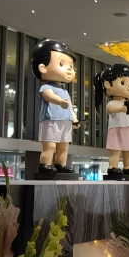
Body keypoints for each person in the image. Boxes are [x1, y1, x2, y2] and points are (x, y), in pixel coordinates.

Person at [32, 39, 79, 174]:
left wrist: (74, 118)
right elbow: (48, 96)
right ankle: (45, 164)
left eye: (71, 65)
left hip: (65, 120)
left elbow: (70, 105)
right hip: (50, 119)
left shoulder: (65, 90)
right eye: (62, 63)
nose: (70, 68)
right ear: (43, 68)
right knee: (50, 144)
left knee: (64, 145)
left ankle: (61, 164)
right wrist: (59, 101)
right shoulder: (45, 87)